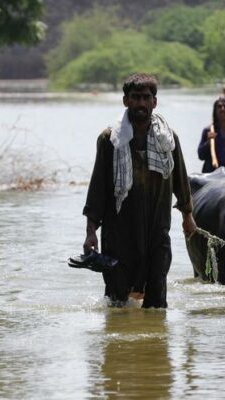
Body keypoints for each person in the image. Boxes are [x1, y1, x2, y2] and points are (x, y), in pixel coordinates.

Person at [82, 73, 197, 308]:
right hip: (119, 234)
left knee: (157, 302)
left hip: (157, 232)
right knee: (117, 301)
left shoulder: (168, 140)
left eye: (146, 98)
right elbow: (97, 189)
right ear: (126, 101)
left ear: (155, 102)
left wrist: (188, 216)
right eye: (135, 98)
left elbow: (180, 180)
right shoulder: (110, 140)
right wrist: (90, 231)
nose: (141, 104)